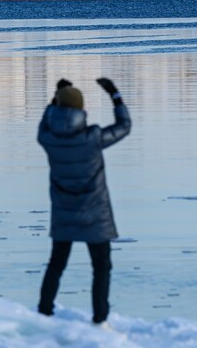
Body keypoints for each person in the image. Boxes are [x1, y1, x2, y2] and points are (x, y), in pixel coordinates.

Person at [37, 78, 131, 325]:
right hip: (95, 214)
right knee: (101, 268)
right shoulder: (93, 137)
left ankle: (44, 311)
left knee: (56, 264)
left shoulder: (49, 139)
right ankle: (100, 318)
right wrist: (115, 95)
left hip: (64, 213)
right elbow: (125, 126)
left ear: (57, 107)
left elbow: (43, 126)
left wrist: (55, 98)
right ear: (82, 109)